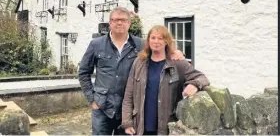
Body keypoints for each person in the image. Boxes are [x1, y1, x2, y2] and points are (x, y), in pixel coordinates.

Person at [78, 7, 185, 135]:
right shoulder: (96, 44)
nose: (119, 23)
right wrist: (92, 99)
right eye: (116, 20)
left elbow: (159, 51)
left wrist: (175, 52)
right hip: (102, 107)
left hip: (129, 109)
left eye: (123, 20)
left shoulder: (139, 44)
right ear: (110, 23)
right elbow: (84, 72)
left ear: (129, 23)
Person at [121, 25, 210, 135]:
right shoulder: (139, 63)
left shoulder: (177, 63)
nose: (156, 41)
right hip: (140, 127)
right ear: (148, 41)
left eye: (160, 38)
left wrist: (195, 84)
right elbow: (128, 95)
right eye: (153, 38)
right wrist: (127, 123)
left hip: (166, 128)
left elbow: (202, 77)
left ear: (166, 41)